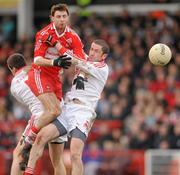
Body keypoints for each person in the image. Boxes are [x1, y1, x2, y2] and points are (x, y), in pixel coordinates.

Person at [23, 39, 109, 175]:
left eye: (96, 51)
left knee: (75, 154)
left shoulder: (103, 68)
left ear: (103, 56)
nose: (92, 52)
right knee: (41, 137)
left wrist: (56, 43)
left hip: (83, 111)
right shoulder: (85, 58)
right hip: (68, 107)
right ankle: (28, 172)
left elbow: (77, 61)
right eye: (91, 49)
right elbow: (71, 54)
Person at [24, 3, 86, 145]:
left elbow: (81, 60)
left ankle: (38, 139)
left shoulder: (73, 36)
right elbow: (37, 60)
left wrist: (80, 75)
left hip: (56, 78)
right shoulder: (44, 34)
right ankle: (30, 136)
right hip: (41, 74)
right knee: (54, 111)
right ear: (52, 18)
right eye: (58, 16)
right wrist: (55, 63)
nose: (62, 19)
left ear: (68, 18)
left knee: (56, 113)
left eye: (64, 16)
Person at [7, 53, 70, 175]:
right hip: (60, 114)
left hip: (41, 116)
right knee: (57, 161)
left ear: (13, 69)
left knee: (18, 154)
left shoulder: (14, 84)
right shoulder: (38, 71)